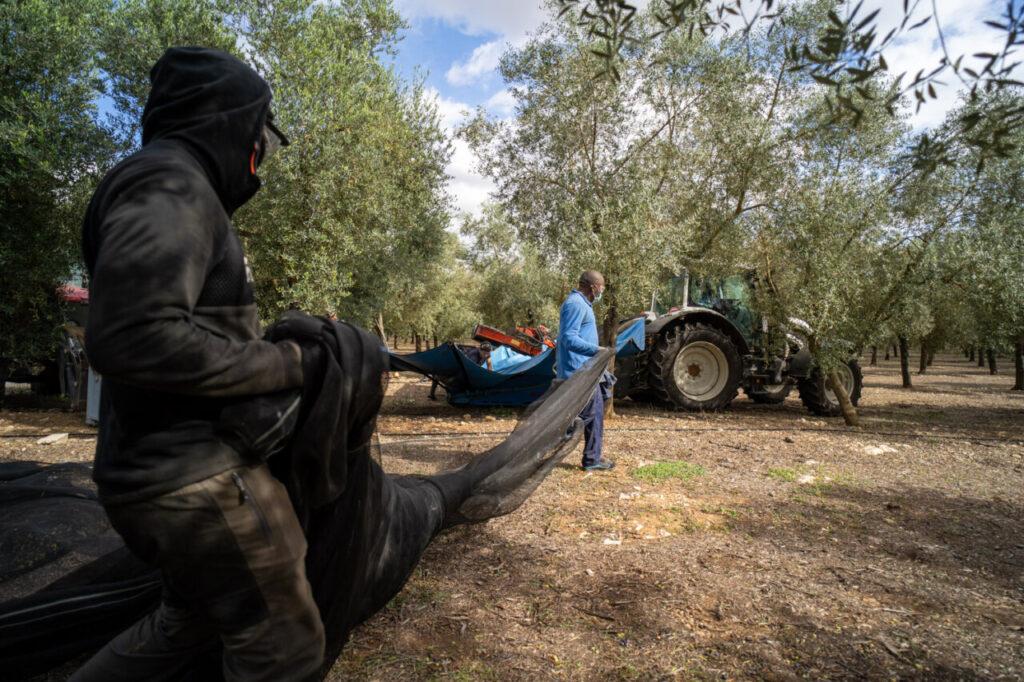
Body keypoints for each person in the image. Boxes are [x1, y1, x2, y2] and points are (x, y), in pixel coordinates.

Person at [71, 47, 324, 681]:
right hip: (194, 481)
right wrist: (288, 363)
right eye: (260, 132)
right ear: (231, 124)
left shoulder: (173, 185)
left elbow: (171, 325)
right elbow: (133, 336)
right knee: (285, 648)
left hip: (159, 475)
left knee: (186, 622)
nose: (261, 153)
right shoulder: (172, 186)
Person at [556, 270, 614, 471]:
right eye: (601, 287)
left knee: (592, 413)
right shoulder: (576, 304)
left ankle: (591, 458)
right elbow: (568, 339)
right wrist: (596, 350)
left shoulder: (581, 304)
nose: (602, 291)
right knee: (590, 414)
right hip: (579, 372)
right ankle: (590, 459)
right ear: (593, 287)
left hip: (585, 370)